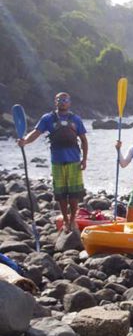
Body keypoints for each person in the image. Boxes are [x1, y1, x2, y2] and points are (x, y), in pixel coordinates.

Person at [17, 92, 88, 232]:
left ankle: (73, 219)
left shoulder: (76, 119)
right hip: (57, 162)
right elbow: (36, 133)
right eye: (59, 99)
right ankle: (65, 220)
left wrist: (84, 159)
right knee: (60, 194)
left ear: (69, 102)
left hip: (74, 161)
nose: (62, 101)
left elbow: (84, 141)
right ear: (55, 102)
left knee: (74, 194)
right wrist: (24, 141)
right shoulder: (47, 118)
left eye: (65, 99)